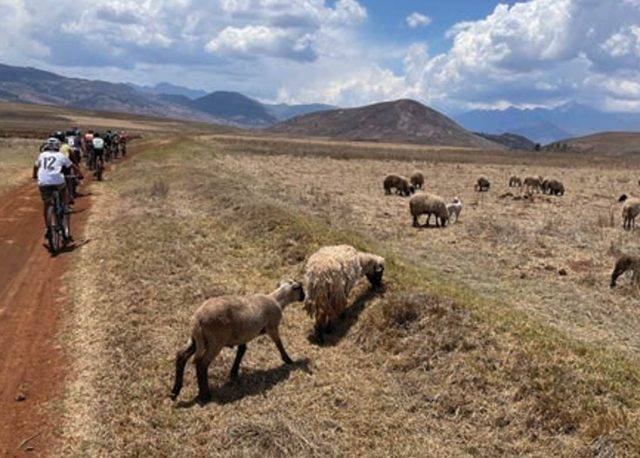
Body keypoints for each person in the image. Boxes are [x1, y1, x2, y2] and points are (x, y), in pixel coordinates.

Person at [34, 138, 83, 241]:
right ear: (58, 146)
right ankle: (65, 207)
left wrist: (35, 176)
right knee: (63, 190)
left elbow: (35, 166)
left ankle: (48, 227)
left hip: (43, 183)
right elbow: (72, 166)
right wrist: (80, 174)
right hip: (58, 182)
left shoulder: (42, 155)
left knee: (47, 205)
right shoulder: (61, 156)